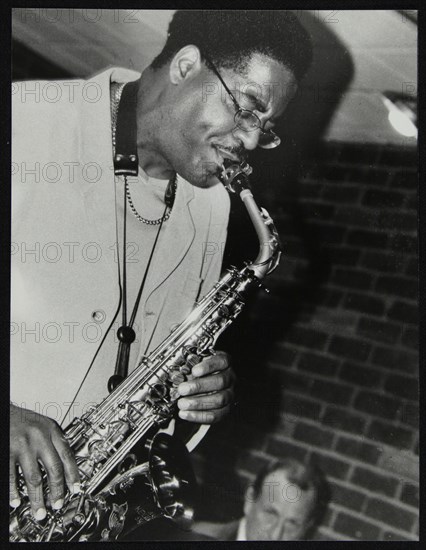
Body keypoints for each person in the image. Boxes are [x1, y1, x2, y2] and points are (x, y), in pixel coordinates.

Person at [10, 9, 313, 527]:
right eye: (247, 109)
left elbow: (153, 378)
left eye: (267, 128)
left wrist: (192, 397)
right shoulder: (23, 124)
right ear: (186, 65)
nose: (251, 141)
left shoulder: (213, 205)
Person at [193, 458, 328, 541]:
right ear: (250, 500)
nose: (276, 535)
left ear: (307, 527)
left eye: (292, 523)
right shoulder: (196, 538)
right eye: (271, 514)